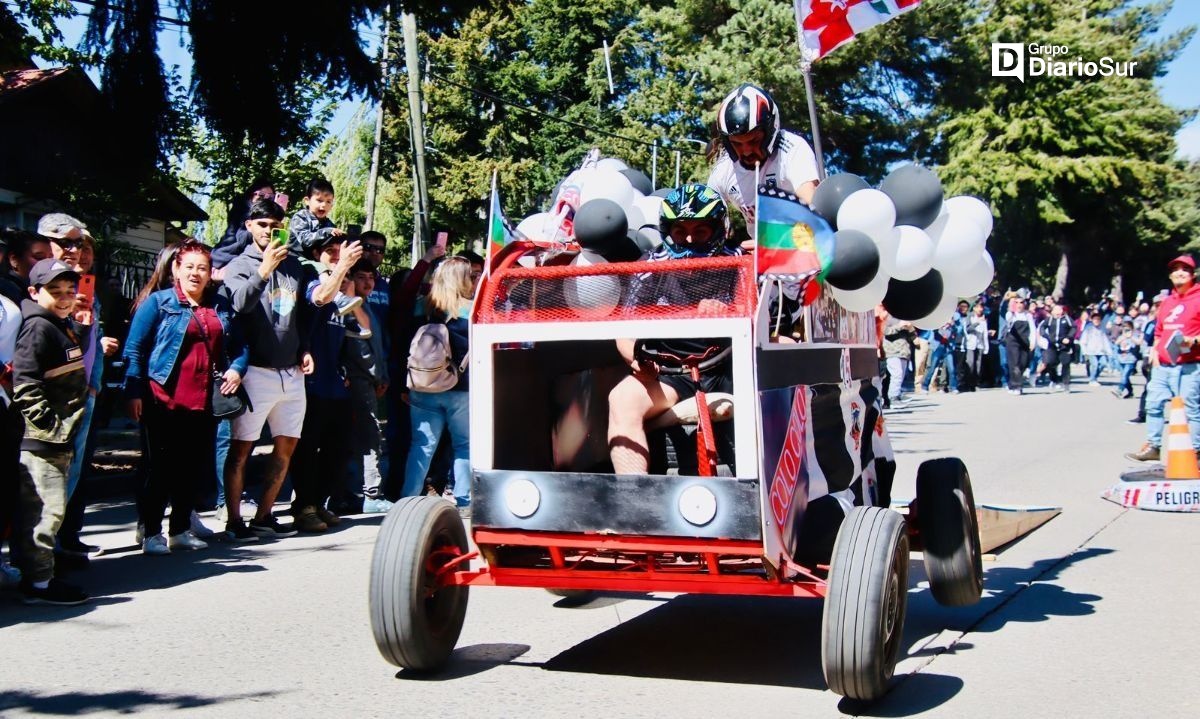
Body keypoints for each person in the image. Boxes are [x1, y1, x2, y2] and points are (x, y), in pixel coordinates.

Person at [607, 184, 741, 476]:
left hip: (733, 371)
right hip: (671, 374)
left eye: (700, 231)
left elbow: (768, 323)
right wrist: (636, 361)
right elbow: (623, 331)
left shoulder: (741, 262)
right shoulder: (650, 267)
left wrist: (730, 312)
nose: (689, 239)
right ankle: (633, 506)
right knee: (620, 399)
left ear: (718, 231)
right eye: (680, 231)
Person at [123, 241, 245, 554]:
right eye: (189, 266)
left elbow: (241, 347)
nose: (195, 273)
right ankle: (151, 533)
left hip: (204, 401)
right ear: (177, 269)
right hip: (161, 398)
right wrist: (134, 391)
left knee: (191, 469)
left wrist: (236, 369)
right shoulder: (159, 303)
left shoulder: (220, 306)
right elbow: (134, 349)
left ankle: (179, 530)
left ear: (210, 273)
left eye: (202, 268)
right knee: (159, 468)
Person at [219, 199, 311, 540]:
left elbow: (300, 315)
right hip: (255, 371)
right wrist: (263, 270)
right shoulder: (238, 265)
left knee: (286, 448)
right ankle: (233, 521)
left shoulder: (295, 267)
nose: (268, 232)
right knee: (241, 449)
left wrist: (305, 349)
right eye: (262, 226)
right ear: (249, 227)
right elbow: (240, 303)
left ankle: (264, 515)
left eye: (275, 226)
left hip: (291, 372)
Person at [11, 258, 93, 605]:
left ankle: (40, 574)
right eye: (54, 291)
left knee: (50, 510)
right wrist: (48, 424)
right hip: (44, 439)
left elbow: (67, 358)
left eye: (69, 291)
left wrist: (84, 329)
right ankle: (39, 585)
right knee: (47, 511)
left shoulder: (61, 324)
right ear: (34, 292)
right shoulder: (38, 327)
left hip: (61, 437)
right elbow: (25, 382)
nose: (64, 298)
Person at [289, 233, 362, 532]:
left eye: (340, 252)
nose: (335, 256)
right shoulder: (310, 278)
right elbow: (320, 296)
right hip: (310, 385)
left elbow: (356, 335)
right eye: (330, 251)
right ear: (316, 254)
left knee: (339, 449)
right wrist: (342, 266)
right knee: (307, 450)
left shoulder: (342, 292)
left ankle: (319, 502)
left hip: (335, 385)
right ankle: (304, 507)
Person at [403, 256, 473, 513]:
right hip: (461, 388)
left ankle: (407, 499)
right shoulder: (473, 310)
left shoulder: (423, 307)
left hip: (422, 384)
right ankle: (465, 501)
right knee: (464, 445)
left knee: (421, 445)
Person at [707, 83, 819, 228]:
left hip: (800, 242)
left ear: (771, 131)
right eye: (737, 144)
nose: (747, 151)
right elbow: (706, 218)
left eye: (754, 140)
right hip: (758, 248)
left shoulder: (793, 148)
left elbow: (811, 209)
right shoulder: (723, 169)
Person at [1127, 256, 1200, 462]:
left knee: (1190, 409)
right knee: (1153, 404)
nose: (1180, 273)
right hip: (1163, 364)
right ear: (1170, 276)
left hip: (1190, 365)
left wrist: (1193, 340)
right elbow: (1159, 332)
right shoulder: (1167, 302)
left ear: (1192, 274)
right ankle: (1153, 445)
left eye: (1185, 270)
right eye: (1175, 270)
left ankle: (1196, 451)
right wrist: (1155, 351)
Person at [342, 258, 393, 514]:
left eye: (371, 278)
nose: (367, 282)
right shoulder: (346, 307)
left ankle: (360, 493)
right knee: (367, 438)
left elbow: (377, 347)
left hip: (372, 381)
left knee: (368, 435)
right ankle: (369, 494)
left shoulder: (369, 307)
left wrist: (382, 377)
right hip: (355, 380)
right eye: (361, 277)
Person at [211, 179, 275, 270]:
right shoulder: (243, 210)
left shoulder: (269, 218)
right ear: (251, 196)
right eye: (261, 196)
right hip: (223, 261)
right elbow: (242, 238)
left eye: (270, 198)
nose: (265, 200)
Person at [881, 309, 915, 406]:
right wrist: (899, 326)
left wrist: (910, 328)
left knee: (901, 375)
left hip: (903, 351)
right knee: (897, 374)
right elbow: (884, 331)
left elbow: (911, 335)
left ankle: (897, 395)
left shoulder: (904, 318)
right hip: (892, 351)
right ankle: (893, 398)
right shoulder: (888, 317)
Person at [1038, 303, 1075, 392]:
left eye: (1060, 310)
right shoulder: (1049, 320)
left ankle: (1066, 384)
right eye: (1056, 310)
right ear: (1053, 311)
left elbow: (1073, 327)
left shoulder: (1067, 319)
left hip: (1064, 345)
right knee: (1050, 363)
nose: (1058, 312)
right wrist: (1046, 336)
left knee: (1065, 364)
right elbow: (1042, 327)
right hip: (1052, 345)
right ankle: (1054, 380)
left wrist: (1068, 337)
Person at [1004, 297, 1036, 395]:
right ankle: (1017, 386)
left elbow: (1032, 329)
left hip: (1025, 343)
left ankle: (1011, 383)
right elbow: (1008, 319)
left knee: (1023, 363)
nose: (1019, 304)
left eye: (1021, 302)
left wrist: (1033, 342)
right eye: (1016, 302)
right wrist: (1011, 307)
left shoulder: (1028, 315)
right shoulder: (1011, 315)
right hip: (1013, 342)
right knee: (1015, 364)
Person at [961, 301, 989, 392]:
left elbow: (985, 333)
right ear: (974, 308)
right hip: (970, 344)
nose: (980, 309)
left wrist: (986, 346)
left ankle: (976, 383)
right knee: (970, 363)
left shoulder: (984, 318)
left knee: (978, 365)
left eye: (981, 307)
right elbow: (968, 329)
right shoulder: (970, 317)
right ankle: (968, 383)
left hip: (980, 344)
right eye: (978, 307)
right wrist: (977, 322)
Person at [1113, 318, 1141, 399]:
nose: (1126, 329)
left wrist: (1131, 336)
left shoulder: (1134, 336)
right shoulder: (1121, 336)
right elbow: (1116, 343)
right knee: (1125, 377)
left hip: (1130, 360)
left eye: (1128, 328)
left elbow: (1138, 342)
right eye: (1124, 327)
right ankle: (1130, 392)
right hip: (1121, 359)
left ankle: (1119, 390)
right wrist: (1124, 336)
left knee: (1125, 375)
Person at [1079, 313, 1110, 385]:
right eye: (1095, 319)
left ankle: (1094, 376)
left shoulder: (1102, 328)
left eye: (1098, 319)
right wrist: (1084, 351)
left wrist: (1108, 350)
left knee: (1103, 364)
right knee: (1094, 364)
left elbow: (1105, 340)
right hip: (1091, 351)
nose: (1096, 321)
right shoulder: (1088, 328)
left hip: (1101, 351)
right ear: (1092, 320)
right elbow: (1083, 340)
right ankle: (1092, 380)